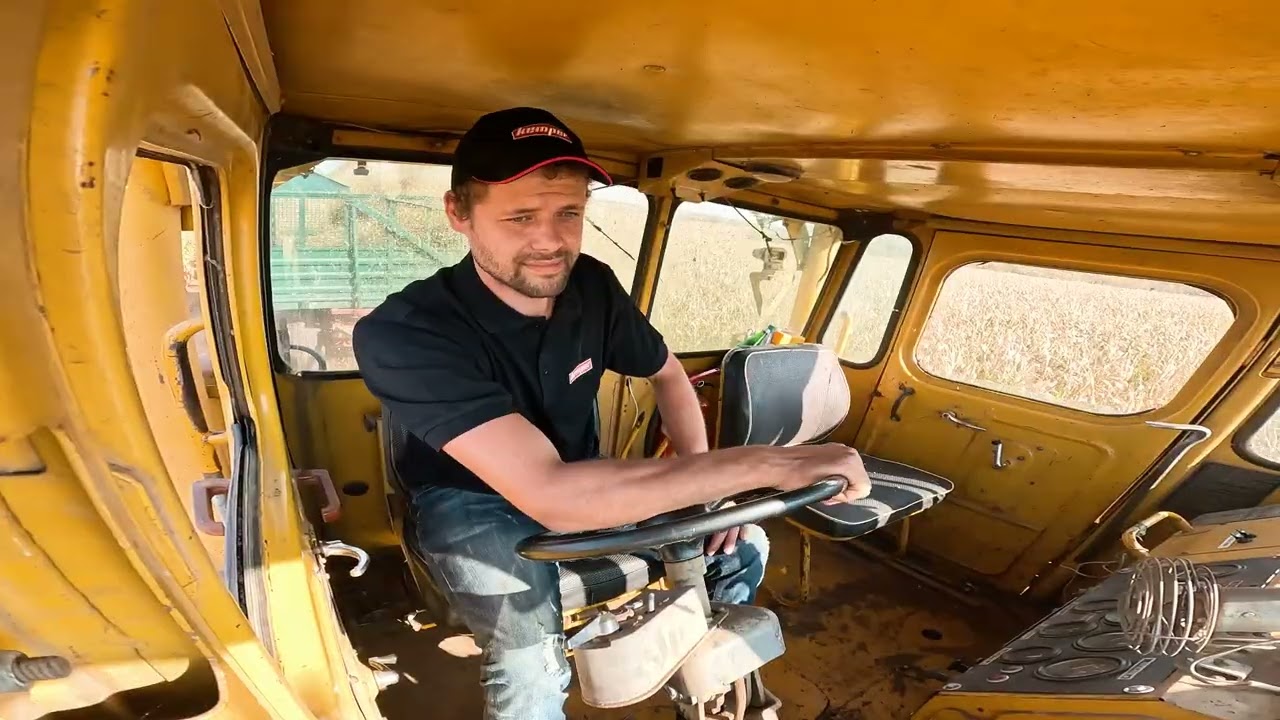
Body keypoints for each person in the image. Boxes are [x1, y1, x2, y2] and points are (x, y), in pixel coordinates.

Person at [352, 106, 872, 720]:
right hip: (468, 501)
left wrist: (706, 496)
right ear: (458, 213)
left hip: (584, 479)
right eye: (521, 217)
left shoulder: (591, 286)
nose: (551, 241)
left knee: (742, 546)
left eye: (569, 213)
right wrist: (771, 465)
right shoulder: (404, 332)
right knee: (530, 661)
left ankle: (710, 680)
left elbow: (668, 375)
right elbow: (552, 495)